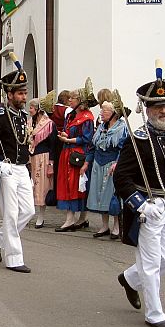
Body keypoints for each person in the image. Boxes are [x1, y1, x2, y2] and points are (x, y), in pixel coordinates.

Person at [114, 67, 165, 327]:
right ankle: (154, 313)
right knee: (150, 261)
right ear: (146, 109)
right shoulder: (138, 140)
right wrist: (142, 205)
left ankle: (129, 278)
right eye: (158, 107)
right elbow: (121, 178)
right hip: (149, 208)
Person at [0, 56, 34, 273]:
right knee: (10, 214)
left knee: (28, 211)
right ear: (9, 94)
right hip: (6, 169)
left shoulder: (21, 116)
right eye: (20, 93)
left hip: (21, 168)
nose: (24, 97)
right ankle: (14, 258)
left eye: (25, 92)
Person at [55, 82, 96, 232]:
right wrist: (65, 135)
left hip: (77, 155)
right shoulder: (71, 115)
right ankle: (74, 218)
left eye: (72, 98)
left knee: (76, 186)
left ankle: (76, 218)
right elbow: (70, 132)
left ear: (80, 101)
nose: (69, 100)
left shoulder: (87, 118)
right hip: (67, 153)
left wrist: (69, 140)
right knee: (67, 185)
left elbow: (87, 139)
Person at [84, 100, 128, 239]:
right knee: (99, 194)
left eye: (104, 111)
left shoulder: (122, 128)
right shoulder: (101, 127)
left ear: (114, 113)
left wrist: (117, 163)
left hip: (112, 164)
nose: (101, 113)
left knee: (112, 195)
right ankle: (104, 226)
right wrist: (86, 163)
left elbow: (125, 149)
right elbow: (92, 146)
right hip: (98, 163)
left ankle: (116, 226)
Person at [27, 97, 57, 228]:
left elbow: (53, 145)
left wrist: (51, 163)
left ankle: (41, 216)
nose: (29, 110)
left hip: (44, 157)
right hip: (32, 157)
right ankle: (29, 213)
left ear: (38, 109)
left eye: (32, 108)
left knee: (42, 187)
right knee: (31, 186)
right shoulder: (30, 123)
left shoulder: (49, 124)